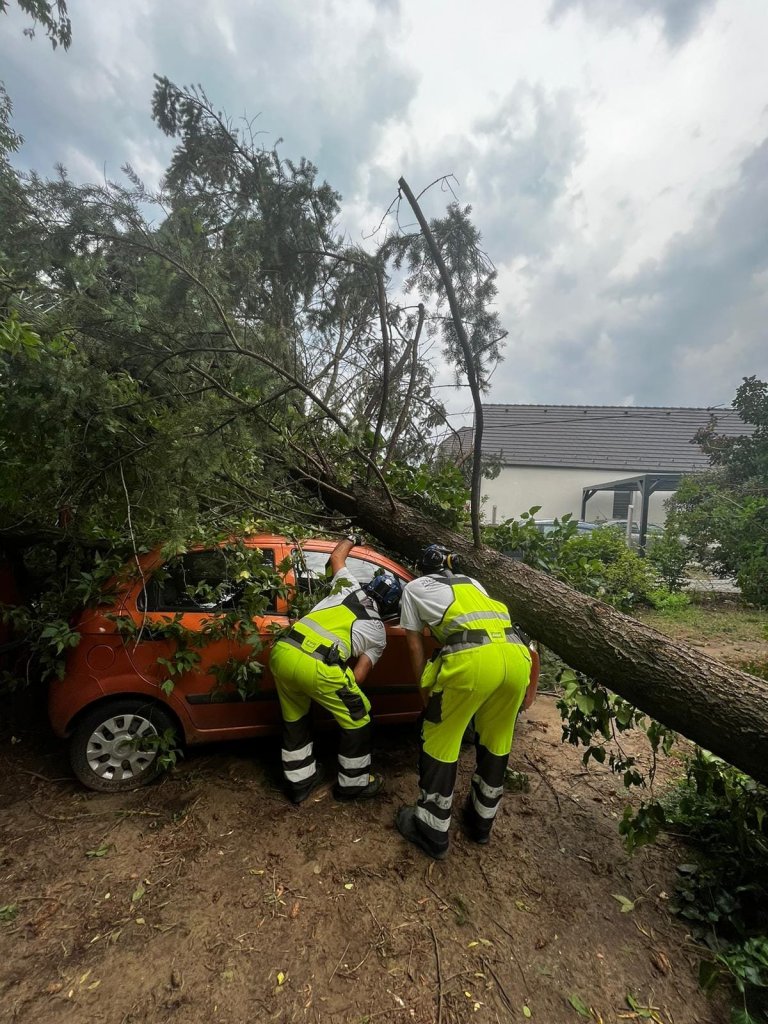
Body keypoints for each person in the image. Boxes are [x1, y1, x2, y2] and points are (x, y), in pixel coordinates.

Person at [396, 544, 533, 859]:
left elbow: (414, 646)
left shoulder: (414, 588)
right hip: (516, 657)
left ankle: (431, 832)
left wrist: (423, 694)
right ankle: (480, 824)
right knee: (497, 739)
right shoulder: (474, 584)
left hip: (472, 662)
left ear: (421, 568)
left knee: (440, 739)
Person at [270, 534, 402, 804]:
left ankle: (300, 784)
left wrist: (352, 538)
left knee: (295, 718)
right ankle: (353, 785)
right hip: (319, 666)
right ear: (390, 606)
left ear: (370, 585)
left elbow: (337, 557)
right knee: (359, 716)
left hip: (282, 652)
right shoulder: (378, 633)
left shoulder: (348, 586)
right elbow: (358, 676)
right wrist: (335, 692)